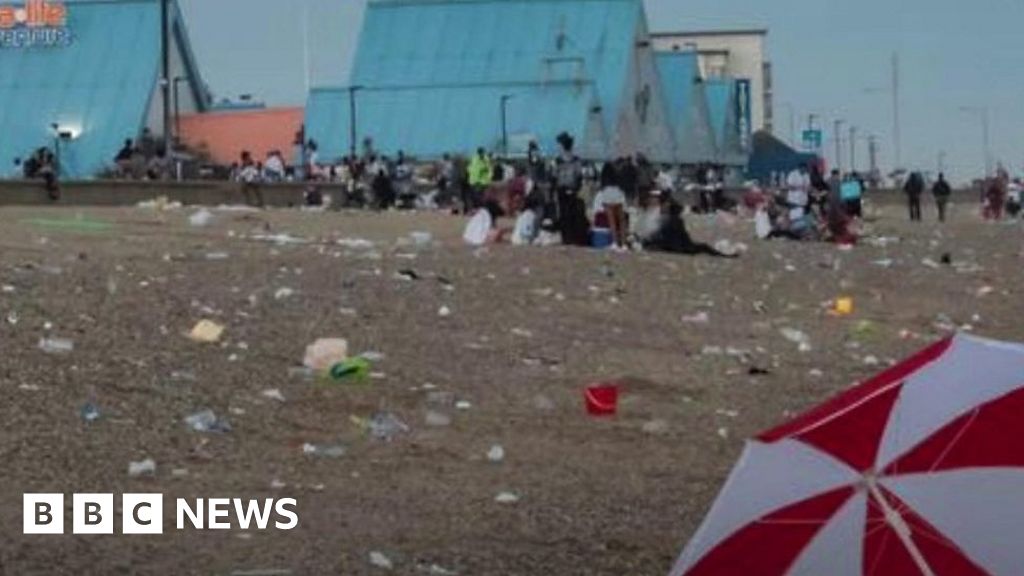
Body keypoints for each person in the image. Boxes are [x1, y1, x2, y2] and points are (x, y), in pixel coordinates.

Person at [645, 200, 736, 258]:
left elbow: (660, 233)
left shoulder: (665, 220)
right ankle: (724, 256)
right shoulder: (677, 221)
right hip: (678, 247)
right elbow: (684, 236)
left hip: (667, 245)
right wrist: (690, 245)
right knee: (704, 246)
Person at [592, 164, 628, 250]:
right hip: (618, 192)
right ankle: (624, 243)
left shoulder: (604, 184)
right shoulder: (620, 179)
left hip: (607, 193)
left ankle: (614, 242)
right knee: (621, 221)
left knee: (611, 221)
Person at [467, 148, 492, 214]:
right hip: (473, 180)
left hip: (482, 181)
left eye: (482, 152)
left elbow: (489, 169)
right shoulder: (474, 158)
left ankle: (481, 209)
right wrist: (469, 171)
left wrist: (488, 178)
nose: (481, 154)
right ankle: (474, 209)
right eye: (480, 152)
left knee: (481, 196)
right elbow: (470, 167)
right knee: (474, 196)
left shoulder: (486, 159)